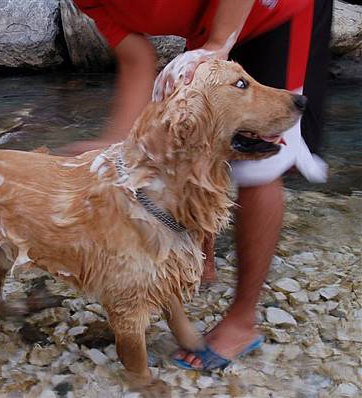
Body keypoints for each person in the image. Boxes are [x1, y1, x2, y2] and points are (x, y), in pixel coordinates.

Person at [69, 0, 332, 371]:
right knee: (198, 136)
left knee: (259, 166)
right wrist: (116, 143)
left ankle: (242, 321)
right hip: (209, 23)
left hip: (277, 11)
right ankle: (199, 262)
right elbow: (136, 60)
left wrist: (220, 43)